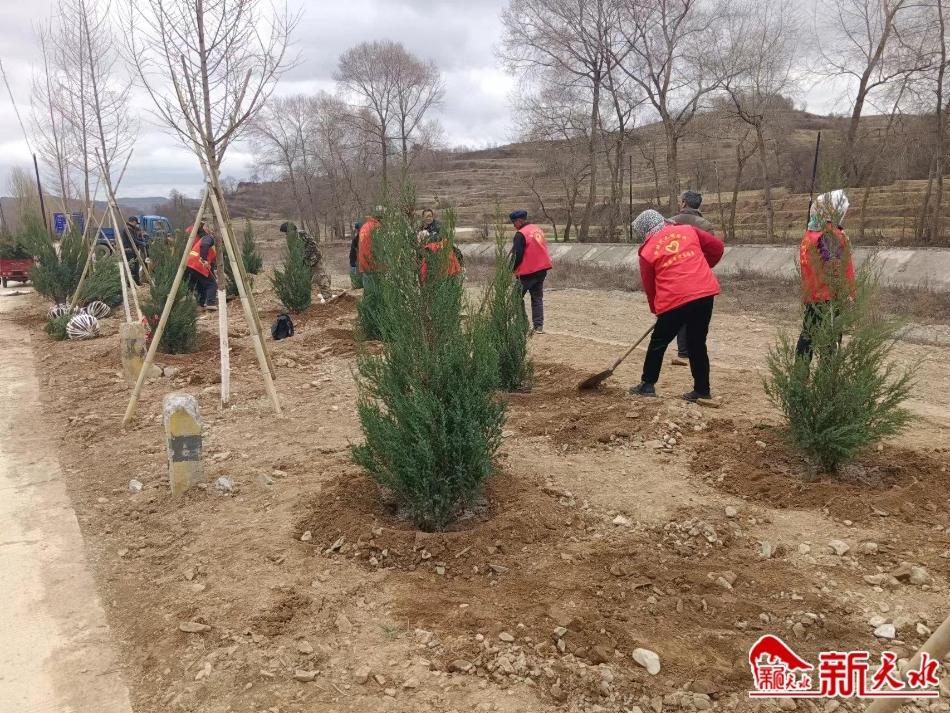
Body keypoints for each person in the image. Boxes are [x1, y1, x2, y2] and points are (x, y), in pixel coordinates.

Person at [629, 209, 724, 401]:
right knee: (697, 342)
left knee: (658, 342)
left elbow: (650, 287)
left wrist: (657, 310)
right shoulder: (688, 230)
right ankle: (702, 390)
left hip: (674, 298)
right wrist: (703, 265)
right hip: (704, 293)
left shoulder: (647, 251)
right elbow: (717, 248)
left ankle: (647, 385)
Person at [796, 190, 855, 360]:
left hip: (813, 294)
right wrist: (846, 295)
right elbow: (834, 267)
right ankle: (825, 373)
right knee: (829, 340)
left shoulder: (811, 234)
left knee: (808, 335)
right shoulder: (828, 236)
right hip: (829, 296)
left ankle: (800, 372)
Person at [669, 191, 717, 366]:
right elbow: (712, 250)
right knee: (697, 313)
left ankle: (683, 350)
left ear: (683, 203)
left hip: (674, 273)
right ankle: (694, 349)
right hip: (698, 275)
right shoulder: (706, 225)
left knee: (680, 311)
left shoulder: (670, 223)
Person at [510, 209, 552, 334]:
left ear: (519, 221)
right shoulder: (537, 229)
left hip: (528, 271)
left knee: (515, 297)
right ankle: (538, 326)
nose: (513, 225)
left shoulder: (520, 234)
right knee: (537, 297)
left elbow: (517, 255)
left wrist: (510, 269)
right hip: (542, 269)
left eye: (514, 222)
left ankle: (522, 324)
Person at [281, 221, 330, 295]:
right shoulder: (289, 239)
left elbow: (313, 246)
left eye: (287, 232)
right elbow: (292, 252)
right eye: (285, 233)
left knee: (321, 278)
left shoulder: (302, 234)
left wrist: (303, 256)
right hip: (303, 262)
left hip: (314, 259)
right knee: (304, 280)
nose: (286, 235)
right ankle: (305, 298)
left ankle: (328, 297)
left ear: (293, 230)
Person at [185, 222, 218, 310]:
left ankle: (201, 303)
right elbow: (205, 245)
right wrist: (204, 259)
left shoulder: (203, 238)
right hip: (198, 263)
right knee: (212, 284)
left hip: (190, 264)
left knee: (201, 284)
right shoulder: (209, 238)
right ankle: (211, 303)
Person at [122, 216, 150, 285]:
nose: (136, 224)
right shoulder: (127, 229)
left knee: (136, 266)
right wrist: (141, 243)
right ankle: (131, 283)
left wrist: (142, 240)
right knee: (132, 267)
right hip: (129, 250)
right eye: (136, 223)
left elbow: (135, 238)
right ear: (134, 222)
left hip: (134, 250)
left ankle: (137, 281)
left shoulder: (132, 228)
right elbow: (132, 240)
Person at [349, 222, 363, 288]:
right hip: (354, 257)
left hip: (356, 257)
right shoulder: (356, 238)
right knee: (354, 268)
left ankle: (356, 284)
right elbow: (355, 248)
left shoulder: (359, 236)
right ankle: (354, 284)